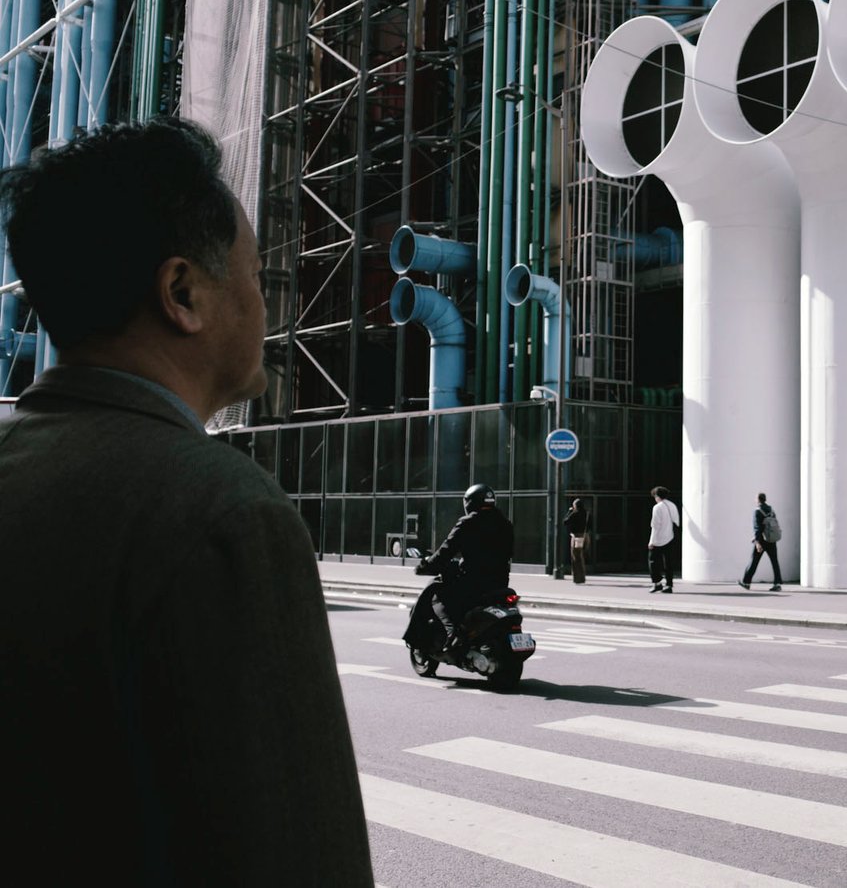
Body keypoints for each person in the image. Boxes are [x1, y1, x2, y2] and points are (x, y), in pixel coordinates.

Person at [0, 119, 373, 883]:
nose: (266, 306)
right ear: (183, 294)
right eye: (257, 277)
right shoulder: (221, 512)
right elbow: (298, 856)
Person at [411, 484, 514, 654]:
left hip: (473, 584)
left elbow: (445, 551)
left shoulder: (468, 523)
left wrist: (426, 566)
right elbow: (508, 553)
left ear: (469, 503)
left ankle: (453, 635)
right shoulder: (506, 524)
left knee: (438, 597)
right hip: (500, 583)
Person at [740, 491, 784, 590]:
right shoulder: (771, 510)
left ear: (758, 500)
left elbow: (757, 528)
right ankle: (777, 584)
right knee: (774, 561)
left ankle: (746, 582)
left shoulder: (757, 511)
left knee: (754, 561)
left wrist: (757, 542)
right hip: (771, 539)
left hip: (762, 541)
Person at [648, 485, 679, 592]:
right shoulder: (672, 505)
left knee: (653, 561)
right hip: (670, 537)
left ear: (657, 496)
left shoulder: (657, 507)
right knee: (668, 562)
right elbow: (676, 521)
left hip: (658, 539)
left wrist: (651, 541)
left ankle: (657, 583)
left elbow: (655, 526)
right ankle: (669, 585)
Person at [565, 497, 590, 584]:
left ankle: (577, 578)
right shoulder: (586, 513)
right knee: (580, 557)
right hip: (584, 536)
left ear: (575, 506)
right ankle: (582, 577)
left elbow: (565, 521)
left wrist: (569, 511)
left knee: (575, 557)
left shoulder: (575, 514)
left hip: (576, 536)